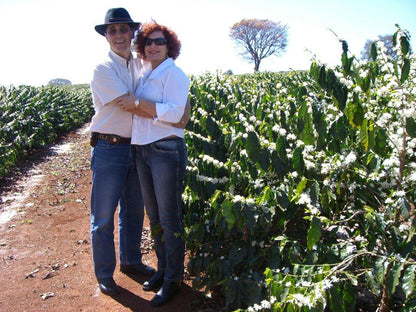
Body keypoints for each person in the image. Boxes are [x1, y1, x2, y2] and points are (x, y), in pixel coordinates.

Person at [90, 8, 189, 297]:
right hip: (109, 146)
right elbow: (127, 102)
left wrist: (179, 112)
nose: (119, 35)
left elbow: (172, 90)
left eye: (124, 30)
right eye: (113, 31)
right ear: (107, 36)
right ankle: (105, 274)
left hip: (136, 147)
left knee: (134, 212)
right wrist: (175, 116)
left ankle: (132, 261)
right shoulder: (103, 69)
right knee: (104, 216)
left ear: (132, 33)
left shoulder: (140, 64)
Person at [116, 21, 189, 306]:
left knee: (170, 217)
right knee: (155, 216)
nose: (153, 46)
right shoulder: (147, 73)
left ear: (169, 46)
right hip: (142, 149)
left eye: (159, 41)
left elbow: (175, 114)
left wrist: (136, 105)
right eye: (148, 42)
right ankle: (163, 269)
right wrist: (140, 106)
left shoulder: (175, 74)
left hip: (166, 149)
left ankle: (174, 279)